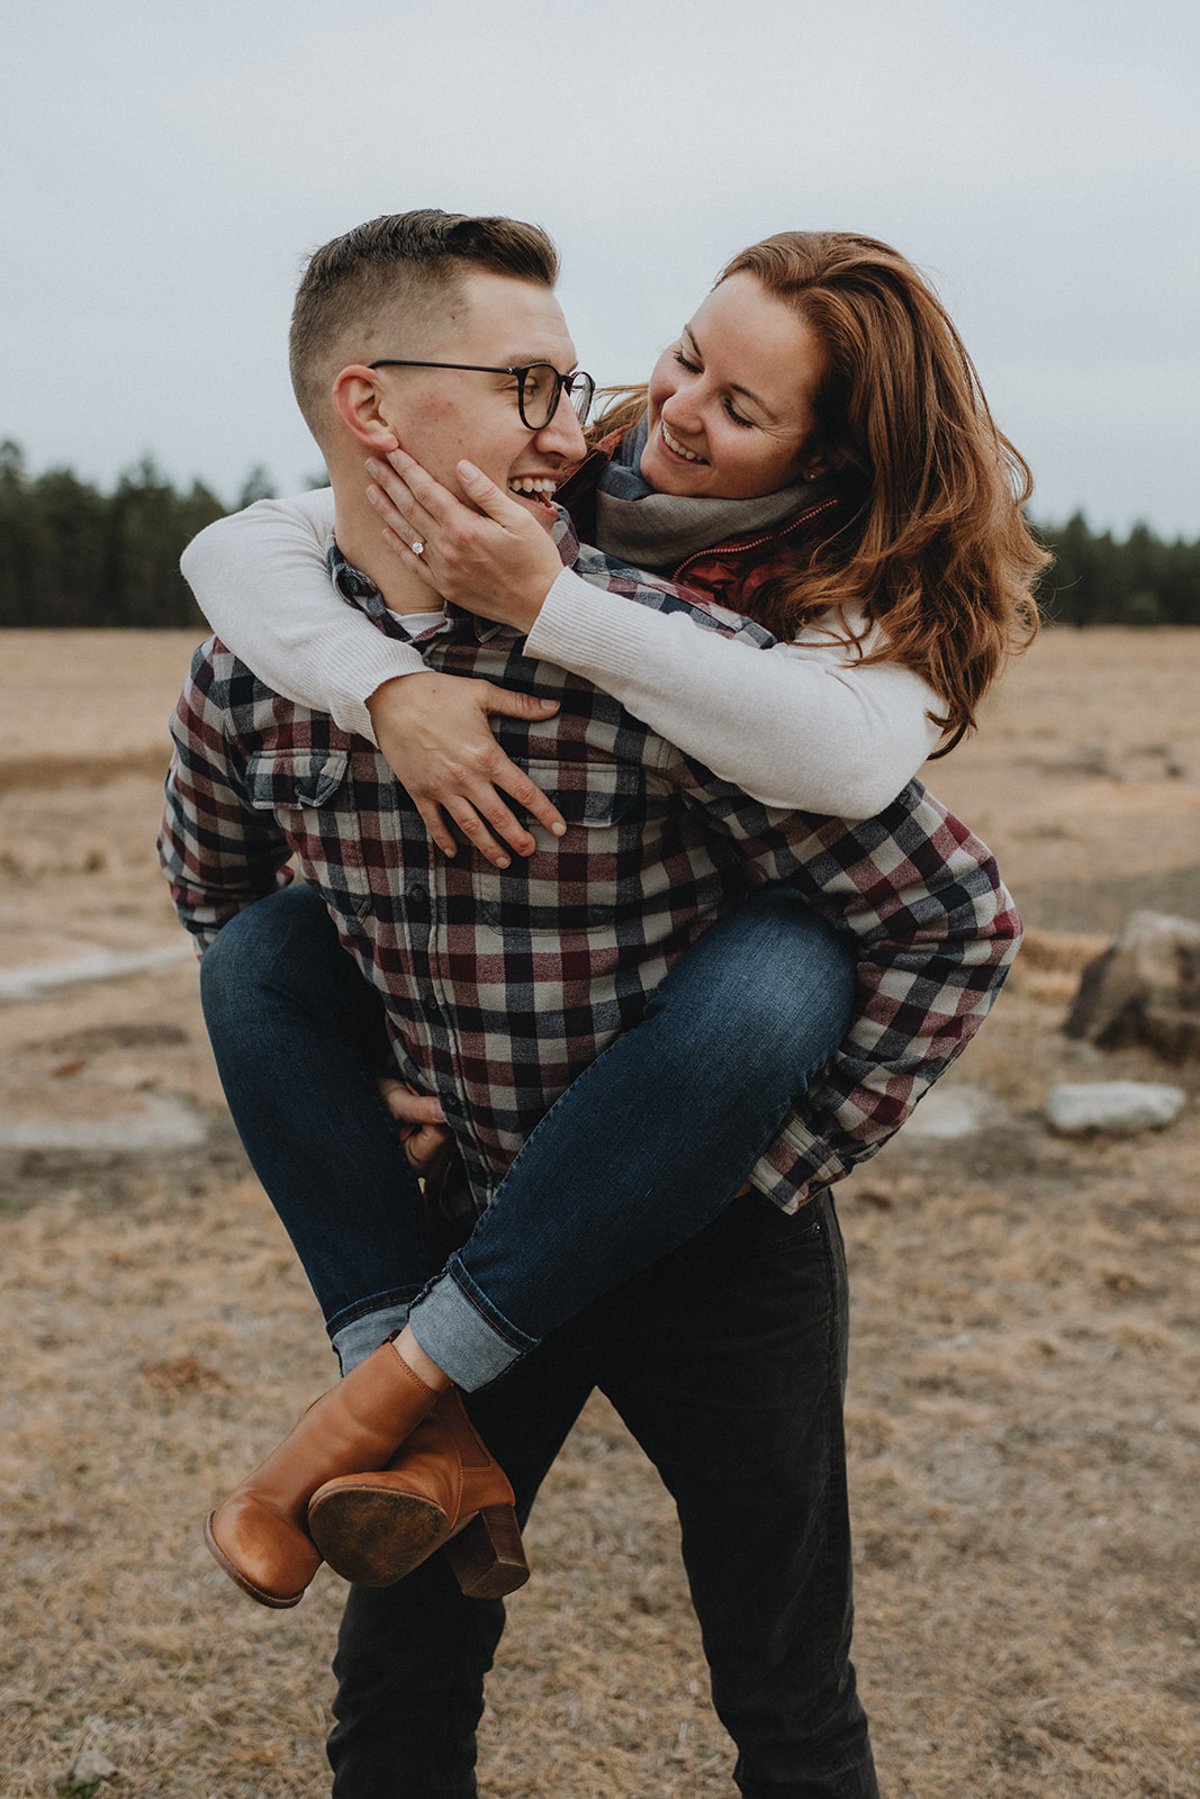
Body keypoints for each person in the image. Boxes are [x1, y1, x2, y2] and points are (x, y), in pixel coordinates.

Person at [162, 210, 1032, 1797]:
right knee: (401, 1684)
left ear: (818, 470)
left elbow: (941, 904)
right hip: (477, 1210)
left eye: (737, 408)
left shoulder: (716, 660)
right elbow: (223, 880)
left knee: (787, 1686)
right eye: (675, 362)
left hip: (712, 1226)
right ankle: (405, 1384)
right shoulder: (262, 659)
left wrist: (764, 1170)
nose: (641, 418)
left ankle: (390, 1389)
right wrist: (362, 1074)